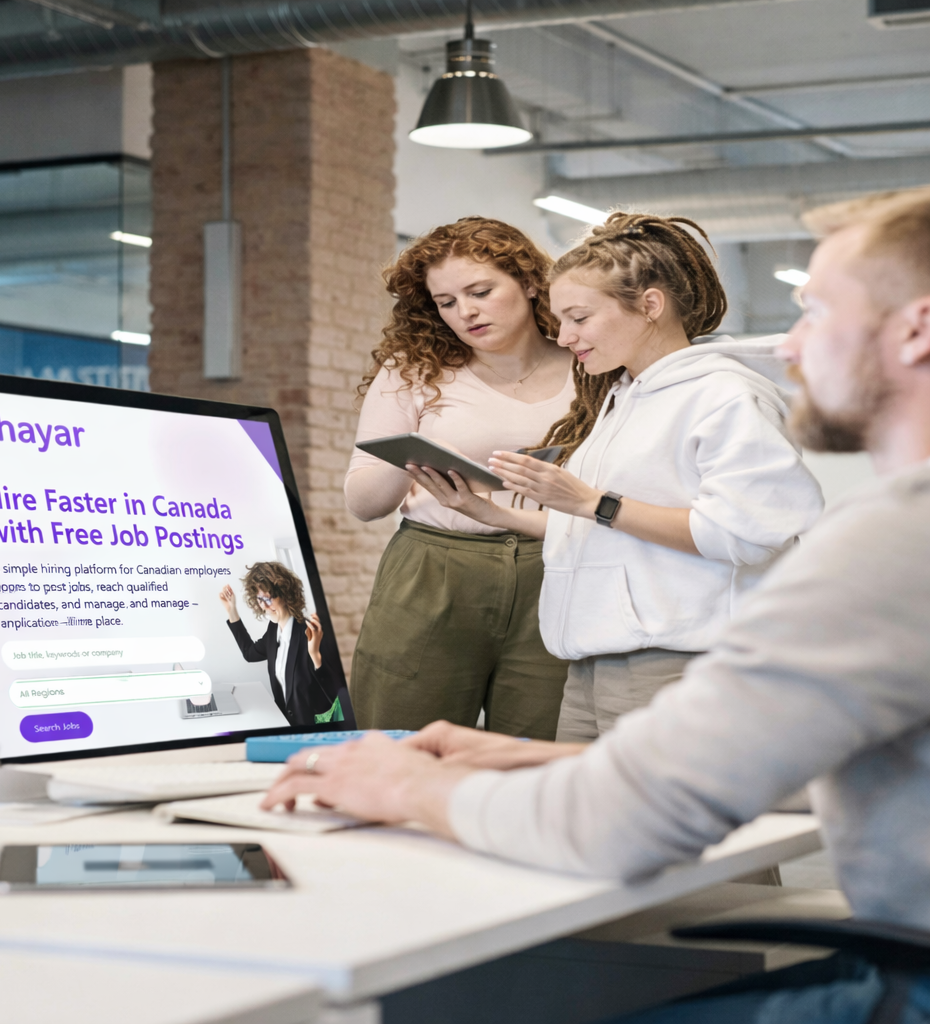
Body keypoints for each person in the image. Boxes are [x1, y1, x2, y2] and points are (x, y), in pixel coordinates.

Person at [264, 185, 930, 1022]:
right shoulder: (621, 401)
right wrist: (548, 760)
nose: (791, 345)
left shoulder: (889, 545)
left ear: (916, 329)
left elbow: (619, 822)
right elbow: (816, 778)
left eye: (816, 312)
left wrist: (406, 787)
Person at [408, 212, 824, 741]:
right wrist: (491, 513)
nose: (564, 336)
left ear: (650, 305)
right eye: (559, 319)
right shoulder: (623, 398)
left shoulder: (722, 397)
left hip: (671, 662)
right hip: (592, 665)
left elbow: (747, 533)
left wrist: (592, 502)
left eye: (579, 318)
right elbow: (603, 528)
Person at [345, 216, 575, 739]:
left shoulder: (586, 365)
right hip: (434, 565)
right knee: (399, 743)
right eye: (446, 302)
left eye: (481, 291)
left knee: (536, 754)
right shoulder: (414, 369)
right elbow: (363, 504)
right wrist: (413, 459)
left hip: (557, 566)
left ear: (531, 282)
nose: (465, 312)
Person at [219, 561, 345, 727]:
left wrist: (315, 656)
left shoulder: (310, 632)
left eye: (267, 598)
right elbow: (249, 653)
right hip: (285, 726)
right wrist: (232, 611)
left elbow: (336, 691)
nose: (263, 606)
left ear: (285, 595)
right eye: (259, 599)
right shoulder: (273, 631)